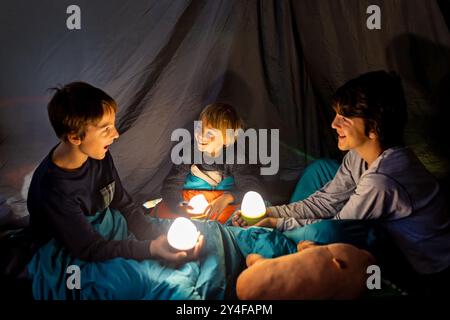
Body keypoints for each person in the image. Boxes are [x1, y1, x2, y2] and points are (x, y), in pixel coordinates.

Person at [233, 71, 450, 293]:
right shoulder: (358, 154)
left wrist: (276, 224)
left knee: (325, 233)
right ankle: (284, 239)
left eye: (344, 118)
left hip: (423, 270)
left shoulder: (383, 181)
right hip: (379, 223)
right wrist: (273, 212)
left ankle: (284, 250)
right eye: (336, 115)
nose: (334, 124)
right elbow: (325, 201)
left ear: (373, 128)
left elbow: (336, 227)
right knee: (319, 170)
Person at [27, 82, 204, 263]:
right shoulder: (53, 189)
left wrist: (156, 237)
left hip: (110, 228)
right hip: (74, 252)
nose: (116, 134)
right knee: (163, 283)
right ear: (74, 137)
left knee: (207, 236)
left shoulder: (98, 154)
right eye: (106, 129)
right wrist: (151, 249)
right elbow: (90, 249)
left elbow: (123, 203)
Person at [161, 103, 262, 223]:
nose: (201, 135)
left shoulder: (235, 158)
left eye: (210, 133)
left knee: (247, 217)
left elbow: (252, 187)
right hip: (190, 205)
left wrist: (227, 197)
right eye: (199, 128)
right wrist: (180, 206)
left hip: (223, 206)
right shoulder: (189, 152)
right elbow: (170, 186)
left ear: (226, 139)